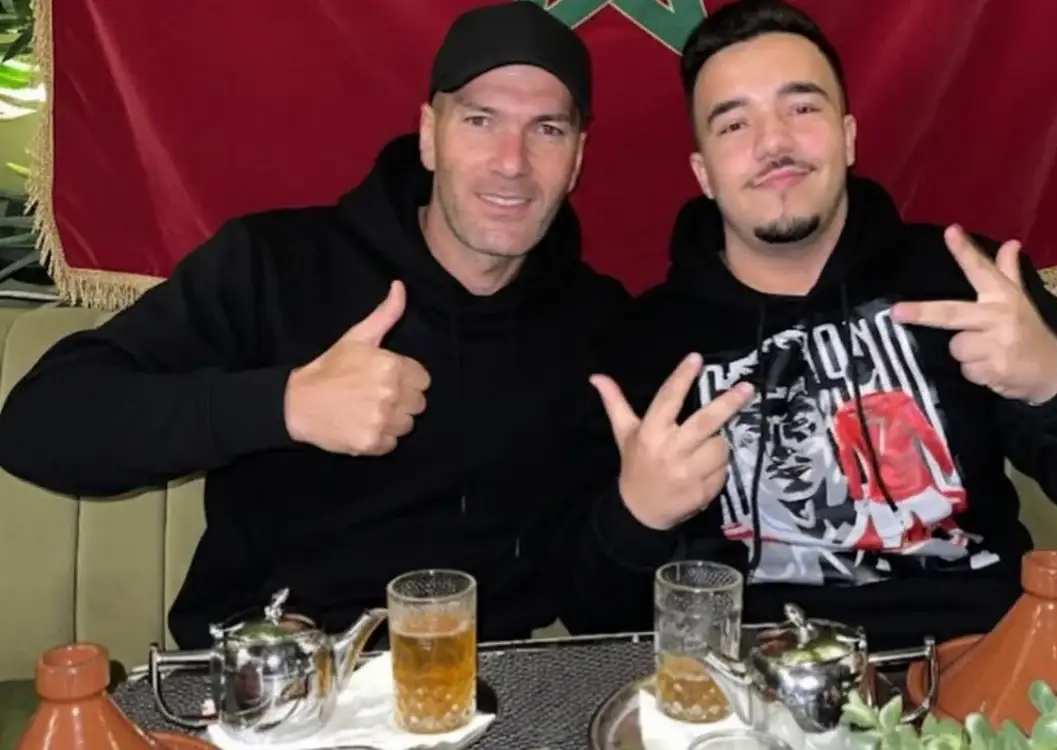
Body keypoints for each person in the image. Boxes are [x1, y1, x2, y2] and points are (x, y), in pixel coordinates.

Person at [568, 0, 1057, 650]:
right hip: (755, 703)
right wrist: (637, 518)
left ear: (847, 137)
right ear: (703, 173)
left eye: (802, 107)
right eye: (733, 125)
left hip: (973, 685)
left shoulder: (959, 278)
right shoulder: (644, 344)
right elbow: (594, 622)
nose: (773, 142)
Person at [0, 2, 630, 649]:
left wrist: (641, 515)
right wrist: (286, 404)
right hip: (271, 677)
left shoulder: (597, 323)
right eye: (479, 119)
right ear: (428, 135)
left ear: (577, 159)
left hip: (488, 687)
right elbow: (39, 426)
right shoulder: (273, 266)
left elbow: (599, 605)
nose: (511, 162)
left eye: (547, 130)